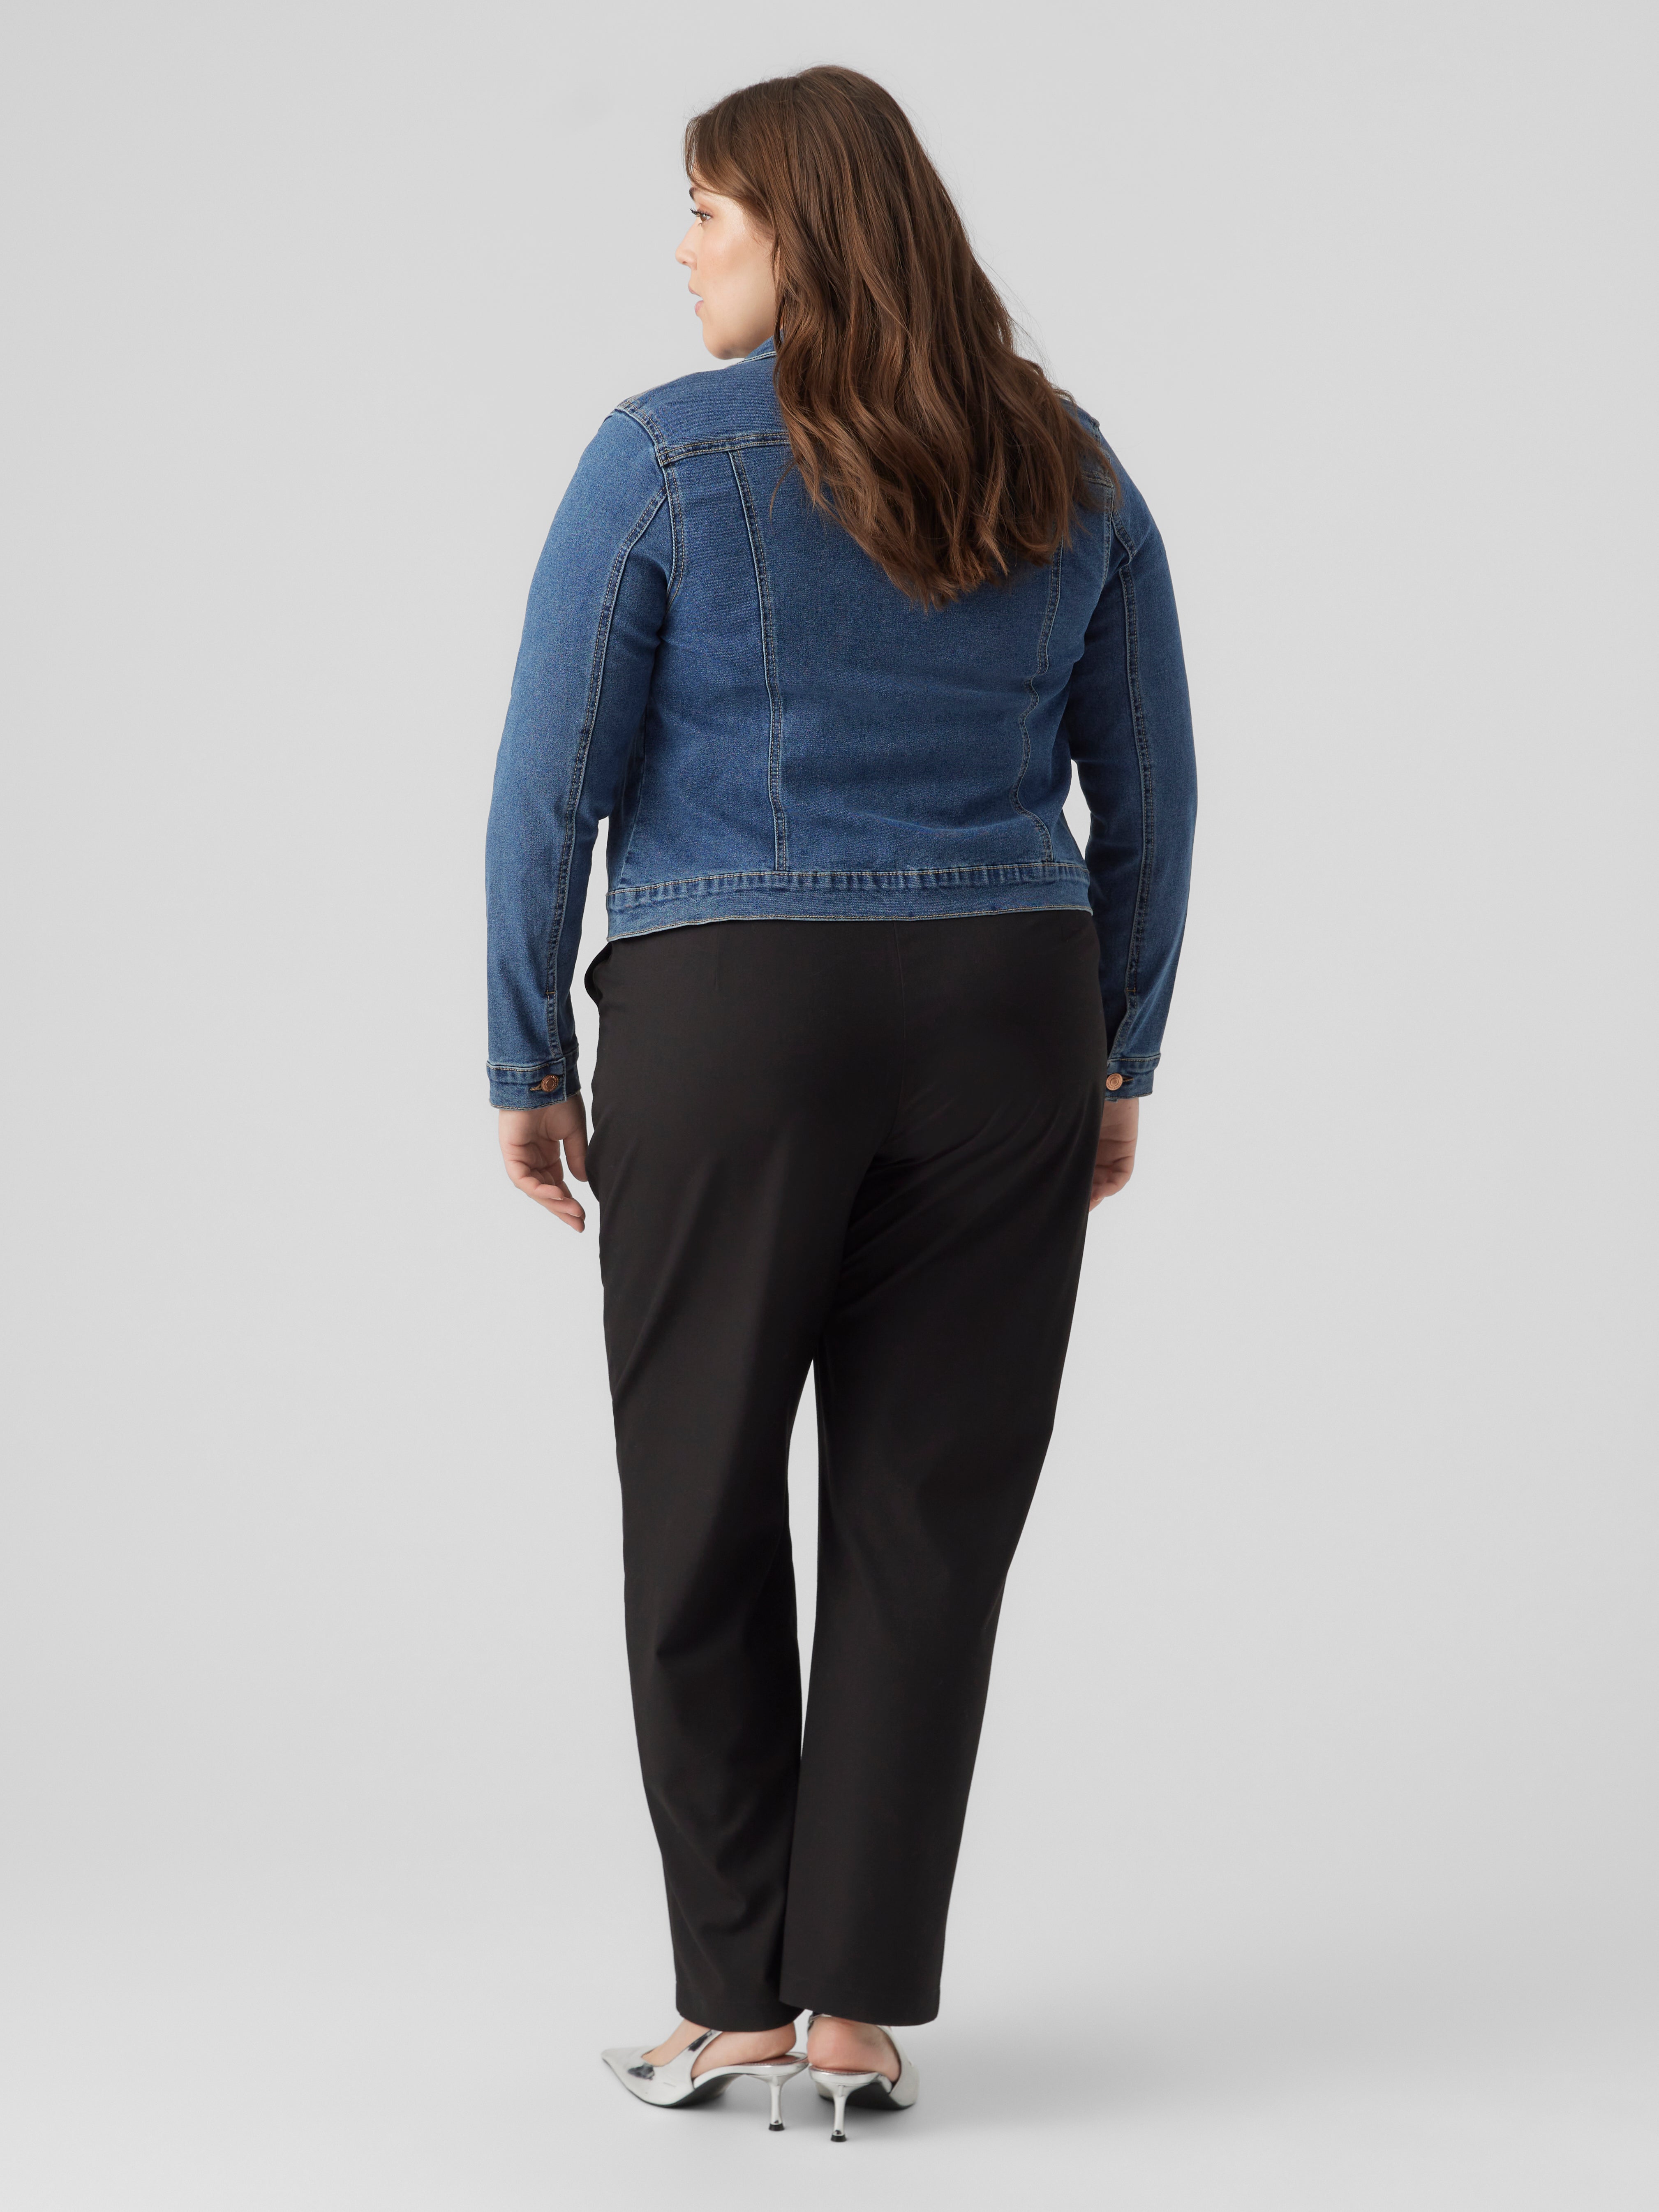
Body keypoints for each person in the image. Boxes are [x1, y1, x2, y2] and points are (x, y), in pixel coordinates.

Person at [485, 65, 1195, 2138]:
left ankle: (729, 1999)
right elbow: (1148, 793)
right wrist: (1117, 1048)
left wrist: (525, 1053)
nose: (683, 249)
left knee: (699, 1491)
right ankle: (854, 2016)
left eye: (708, 213)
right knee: (926, 1512)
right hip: (1004, 1014)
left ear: (798, 231)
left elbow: (549, 781)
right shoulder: (1064, 460)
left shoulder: (660, 455)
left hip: (732, 1010)